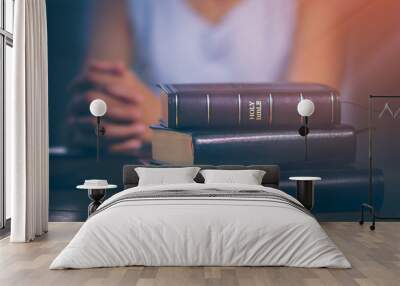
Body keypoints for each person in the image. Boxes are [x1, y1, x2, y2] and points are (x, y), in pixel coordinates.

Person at [68, 0, 345, 155]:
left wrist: (164, 117)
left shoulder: (312, 5)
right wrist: (98, 123)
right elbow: (93, 108)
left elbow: (310, 126)